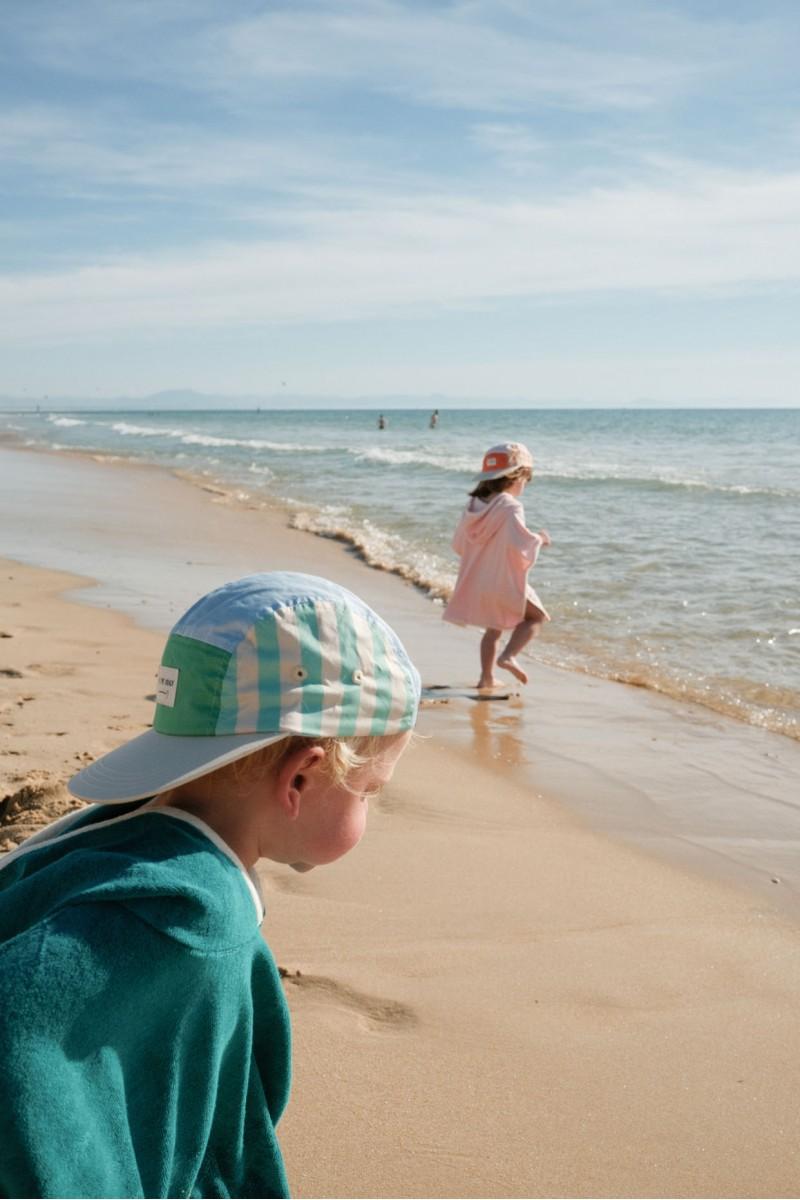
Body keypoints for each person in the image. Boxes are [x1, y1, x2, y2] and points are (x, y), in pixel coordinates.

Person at [0, 572, 420, 1199]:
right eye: (369, 791)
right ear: (300, 779)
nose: (369, 807)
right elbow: (18, 1016)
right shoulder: (194, 917)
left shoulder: (118, 830)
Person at [443, 442, 551, 689]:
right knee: (536, 618)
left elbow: (459, 544)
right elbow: (518, 543)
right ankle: (508, 656)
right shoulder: (511, 506)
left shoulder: (473, 506)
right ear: (516, 476)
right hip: (502, 580)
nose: (525, 485)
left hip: (478, 580)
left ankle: (486, 678)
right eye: (526, 480)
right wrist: (540, 539)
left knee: (493, 630)